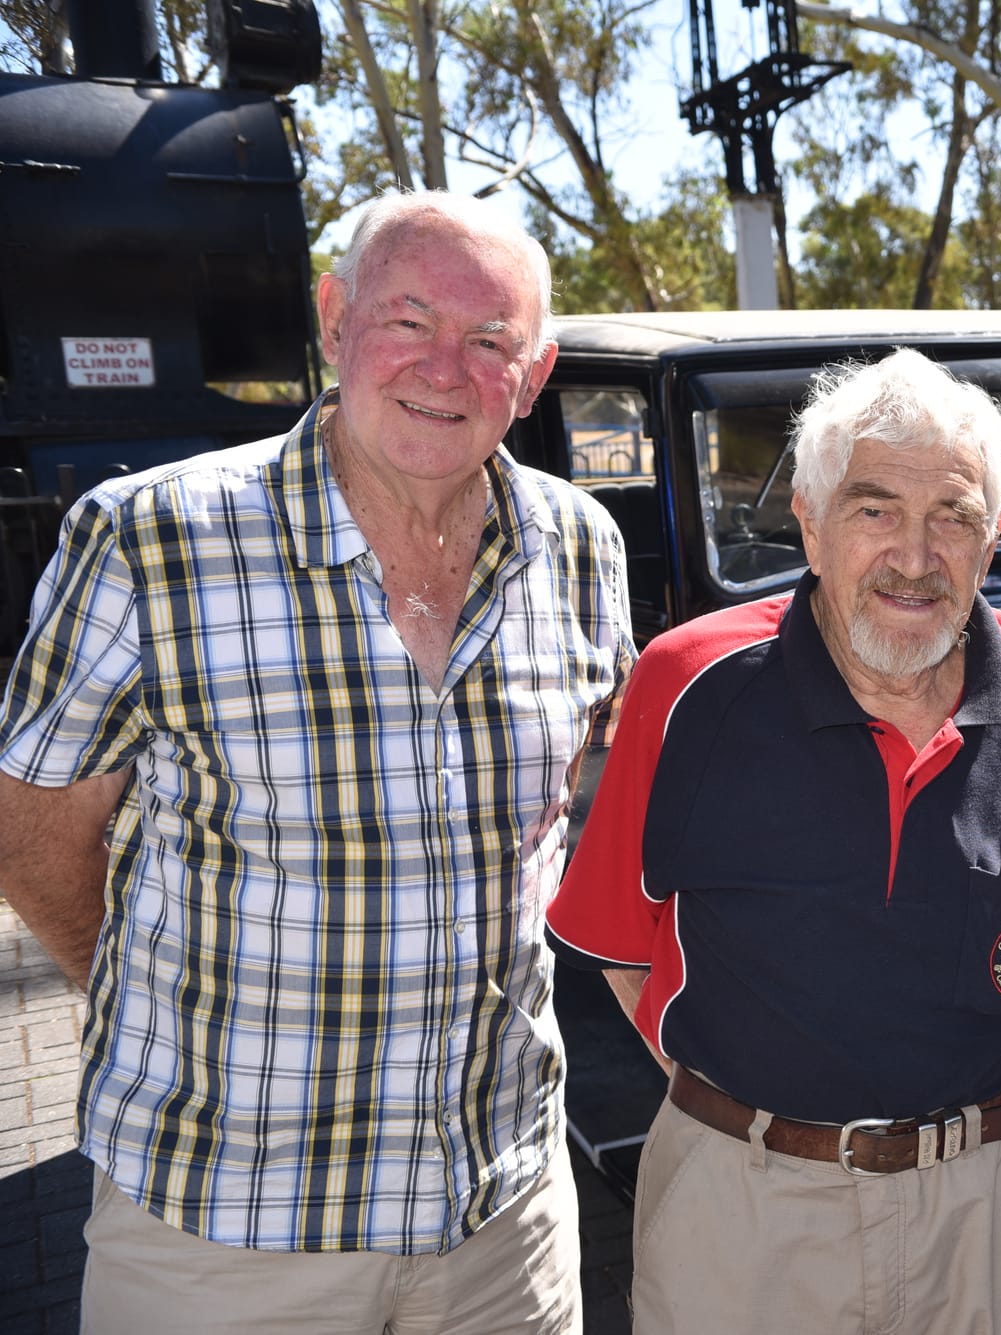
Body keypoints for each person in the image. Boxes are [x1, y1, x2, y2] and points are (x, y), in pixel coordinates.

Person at [0, 190, 632, 1333]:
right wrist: (143, 1004)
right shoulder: (152, 537)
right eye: (408, 321)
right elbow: (30, 822)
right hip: (226, 1234)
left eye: (489, 340)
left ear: (533, 375)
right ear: (335, 320)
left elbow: (563, 817)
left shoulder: (579, 546)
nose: (443, 368)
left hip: (502, 1217)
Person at [546, 349, 1001, 1334]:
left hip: (995, 1206)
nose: (915, 557)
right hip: (746, 1213)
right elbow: (620, 943)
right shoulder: (688, 683)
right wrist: (761, 1116)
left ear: (992, 535)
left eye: (952, 516)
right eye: (875, 510)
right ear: (811, 525)